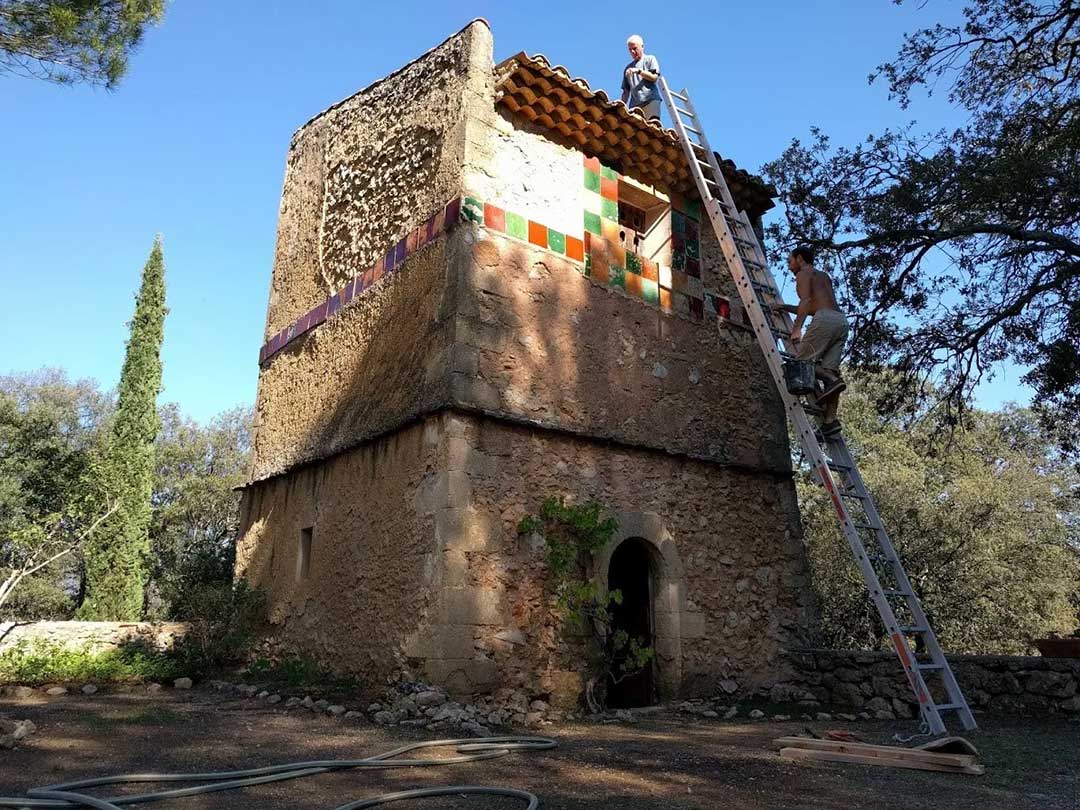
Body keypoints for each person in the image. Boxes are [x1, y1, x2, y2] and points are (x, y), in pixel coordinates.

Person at [776, 246, 849, 433]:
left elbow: (806, 301)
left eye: (790, 261)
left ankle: (831, 380)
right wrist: (786, 307)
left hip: (824, 319)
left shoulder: (803, 274)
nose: (789, 266)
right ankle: (831, 420)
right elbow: (814, 305)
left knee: (802, 363)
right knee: (829, 369)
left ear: (799, 258)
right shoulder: (823, 276)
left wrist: (796, 328)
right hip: (840, 321)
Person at [620, 35, 661, 122]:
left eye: (635, 48)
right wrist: (620, 107)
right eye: (630, 50)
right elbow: (626, 92)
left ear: (642, 47)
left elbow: (654, 77)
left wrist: (639, 71)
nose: (632, 52)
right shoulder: (628, 68)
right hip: (635, 106)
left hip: (650, 101)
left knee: (653, 126)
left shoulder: (650, 59)